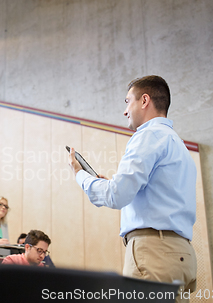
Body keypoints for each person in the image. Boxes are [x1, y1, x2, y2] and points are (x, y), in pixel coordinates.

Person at [68, 75, 197, 303]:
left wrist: (80, 175)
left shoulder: (148, 135)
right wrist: (112, 183)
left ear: (144, 100)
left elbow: (115, 195)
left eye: (128, 101)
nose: (125, 111)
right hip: (181, 254)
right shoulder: (177, 144)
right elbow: (152, 193)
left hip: (154, 253)